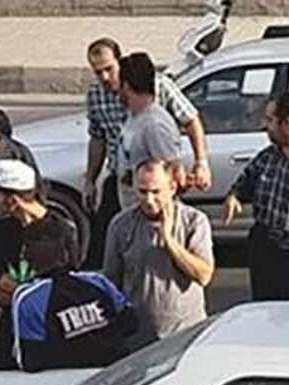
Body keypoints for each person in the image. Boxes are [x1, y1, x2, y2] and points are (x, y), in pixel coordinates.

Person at [83, 37, 209, 269]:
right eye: (97, 72)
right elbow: (97, 138)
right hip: (123, 184)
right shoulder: (106, 100)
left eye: (109, 69)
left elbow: (174, 154)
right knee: (105, 250)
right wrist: (91, 179)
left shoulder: (154, 112)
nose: (105, 78)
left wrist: (200, 163)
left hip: (146, 197)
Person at [103, 158, 213, 348]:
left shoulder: (194, 221)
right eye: (142, 191)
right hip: (138, 338)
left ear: (172, 188)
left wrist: (170, 241)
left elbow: (203, 275)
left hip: (184, 334)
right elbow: (111, 282)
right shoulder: (121, 225)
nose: (149, 200)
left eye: (156, 192)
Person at [224, 92, 289, 300]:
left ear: (287, 123)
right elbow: (245, 181)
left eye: (270, 120)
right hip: (265, 243)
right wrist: (234, 197)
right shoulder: (267, 157)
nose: (265, 125)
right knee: (265, 307)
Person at [0, 159, 84, 369]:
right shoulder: (0, 231)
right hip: (8, 341)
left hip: (46, 337)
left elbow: (59, 290)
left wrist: (10, 288)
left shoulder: (61, 233)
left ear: (11, 200)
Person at [116, 53, 185, 208]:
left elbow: (172, 173)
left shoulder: (154, 126)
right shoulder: (135, 116)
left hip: (153, 215)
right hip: (134, 212)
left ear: (126, 85)